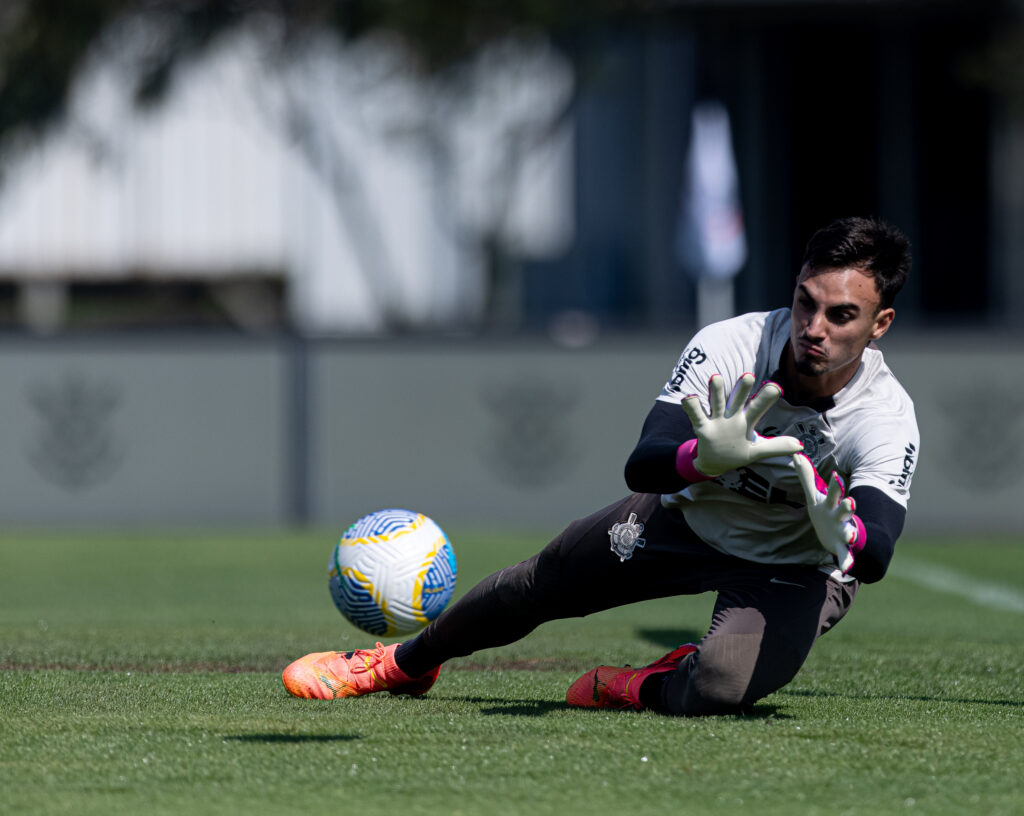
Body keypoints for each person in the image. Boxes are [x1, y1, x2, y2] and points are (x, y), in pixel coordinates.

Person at [282, 215, 919, 716]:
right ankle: (400, 664)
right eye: (807, 302)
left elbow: (879, 552)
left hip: (792, 564)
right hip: (688, 518)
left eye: (842, 315)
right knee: (540, 583)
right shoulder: (732, 343)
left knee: (719, 689)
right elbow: (644, 466)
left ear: (880, 323)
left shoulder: (884, 415)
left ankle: (649, 683)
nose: (814, 327)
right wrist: (702, 458)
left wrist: (848, 536)